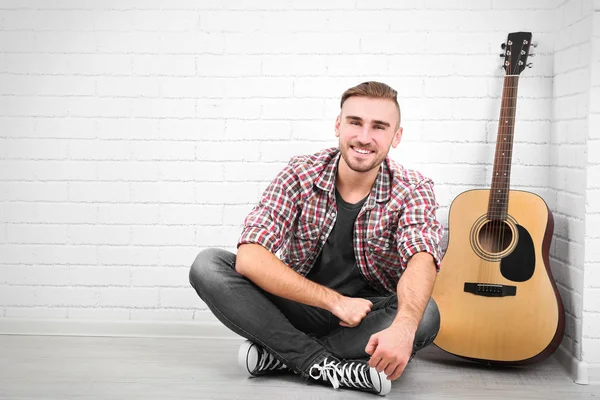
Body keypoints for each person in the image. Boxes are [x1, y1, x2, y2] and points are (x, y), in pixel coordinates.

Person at [189, 81, 444, 396]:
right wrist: (336, 302)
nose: (364, 137)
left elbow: (422, 257)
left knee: (426, 314)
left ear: (397, 136)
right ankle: (325, 363)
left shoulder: (412, 188)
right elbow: (251, 256)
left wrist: (404, 328)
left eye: (379, 127)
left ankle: (283, 355)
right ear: (338, 125)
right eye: (355, 122)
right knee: (208, 265)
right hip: (300, 305)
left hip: (368, 317)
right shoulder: (300, 173)